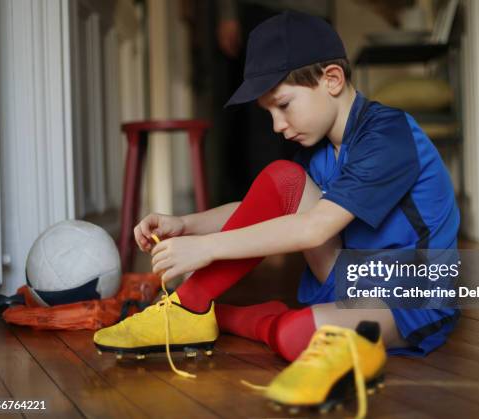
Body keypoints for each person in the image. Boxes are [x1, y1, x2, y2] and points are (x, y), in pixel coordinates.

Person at [94, 10, 459, 367]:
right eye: (269, 112)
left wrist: (205, 248)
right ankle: (187, 307)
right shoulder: (317, 147)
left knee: (292, 335)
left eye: (283, 106)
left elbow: (315, 227)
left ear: (331, 79)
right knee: (282, 177)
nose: (277, 125)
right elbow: (268, 204)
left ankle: (207, 313)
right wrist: (186, 224)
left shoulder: (388, 134)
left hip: (409, 298)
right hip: (347, 278)